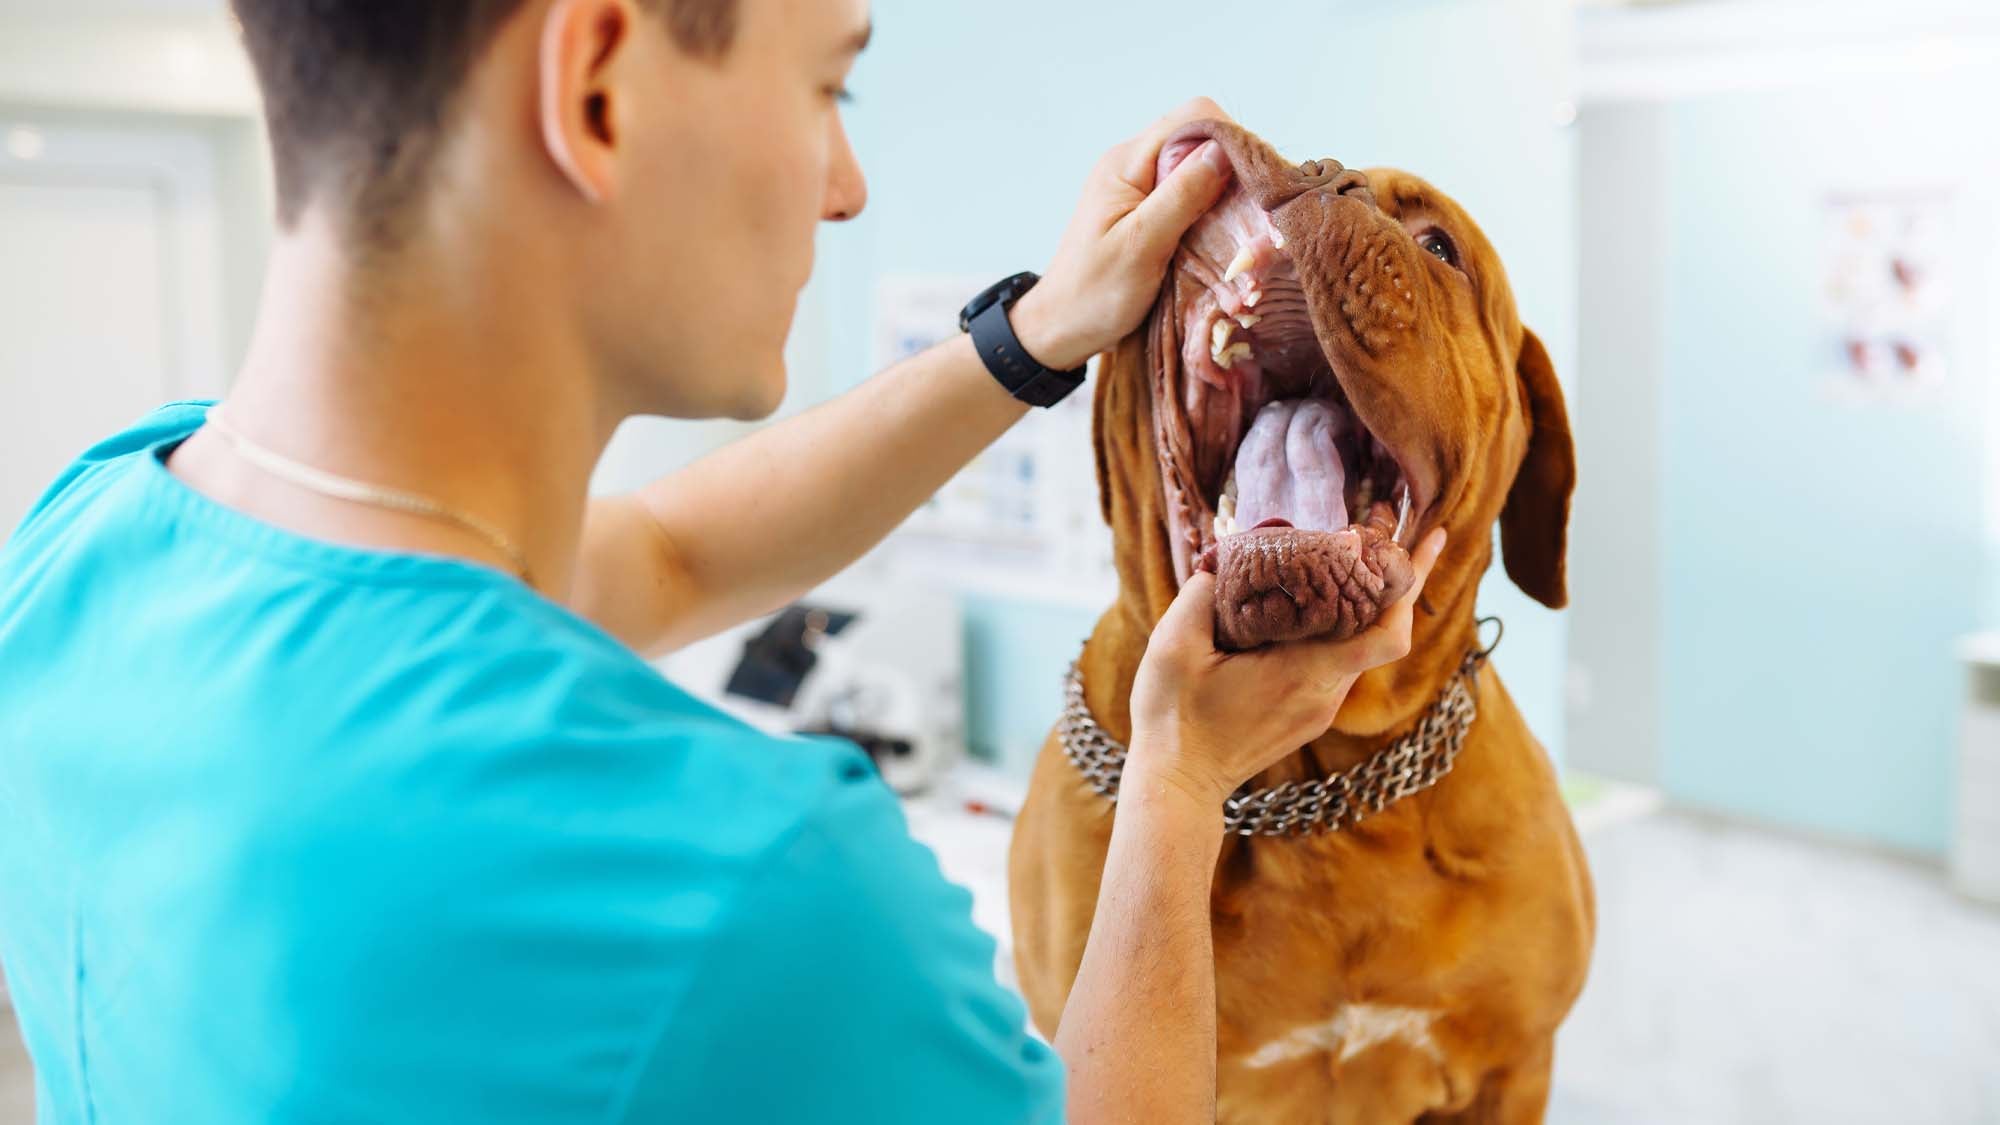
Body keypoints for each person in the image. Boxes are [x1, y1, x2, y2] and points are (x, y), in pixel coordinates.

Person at [0, 1, 1443, 1121]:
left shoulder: (90, 537)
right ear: (598, 91)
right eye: (829, 87)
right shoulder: (742, 888)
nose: (850, 187)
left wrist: (1033, 335)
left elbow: (676, 557)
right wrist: (1181, 777)